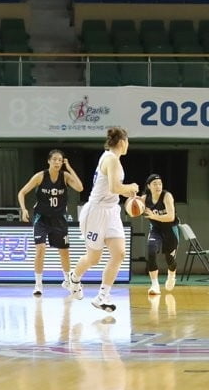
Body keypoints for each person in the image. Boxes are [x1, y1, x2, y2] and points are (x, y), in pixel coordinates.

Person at [65, 127, 139, 312]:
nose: (128, 145)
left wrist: (129, 194)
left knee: (119, 253)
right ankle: (73, 279)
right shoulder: (110, 159)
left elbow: (114, 190)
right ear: (122, 142)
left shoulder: (113, 159)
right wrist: (131, 187)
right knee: (94, 258)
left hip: (112, 211)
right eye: (127, 141)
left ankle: (102, 296)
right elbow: (115, 187)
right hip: (96, 212)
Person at [17, 149, 84, 296]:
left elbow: (80, 187)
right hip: (42, 218)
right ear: (49, 161)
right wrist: (23, 209)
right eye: (54, 159)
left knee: (64, 252)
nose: (57, 162)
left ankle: (67, 281)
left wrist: (70, 168)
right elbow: (21, 192)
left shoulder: (65, 176)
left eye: (60, 160)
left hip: (59, 218)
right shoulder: (40, 176)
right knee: (40, 249)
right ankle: (38, 284)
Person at [141, 173, 178, 295]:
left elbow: (171, 217)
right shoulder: (144, 198)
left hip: (170, 230)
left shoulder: (167, 196)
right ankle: (155, 285)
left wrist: (154, 216)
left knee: (170, 259)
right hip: (156, 230)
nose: (158, 186)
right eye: (155, 184)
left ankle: (172, 275)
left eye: (160, 183)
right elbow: (131, 210)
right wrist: (131, 203)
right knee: (151, 251)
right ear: (149, 186)